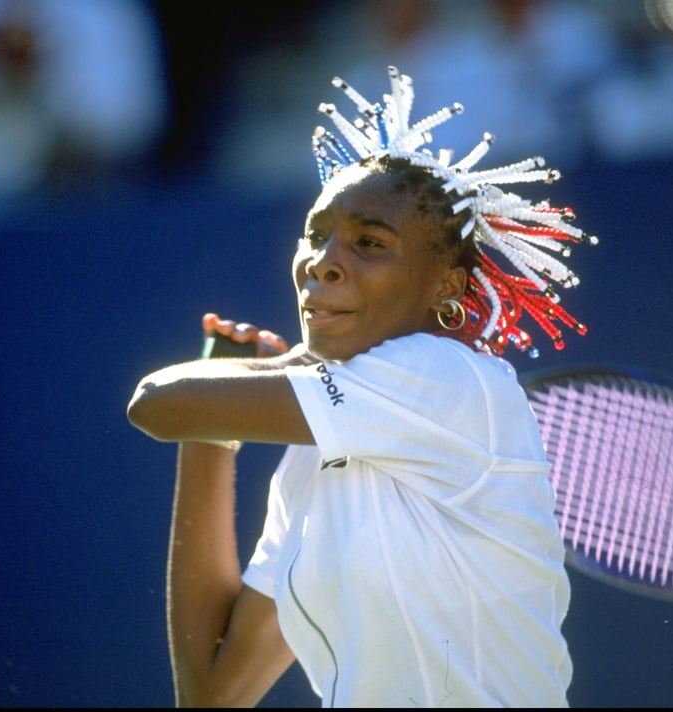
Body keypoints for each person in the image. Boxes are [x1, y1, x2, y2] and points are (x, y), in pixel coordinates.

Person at [126, 65, 597, 707]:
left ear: (446, 289)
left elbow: (157, 401)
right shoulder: (312, 456)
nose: (323, 261)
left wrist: (249, 377)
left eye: (369, 242)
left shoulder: (450, 378)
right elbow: (212, 691)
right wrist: (215, 440)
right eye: (317, 237)